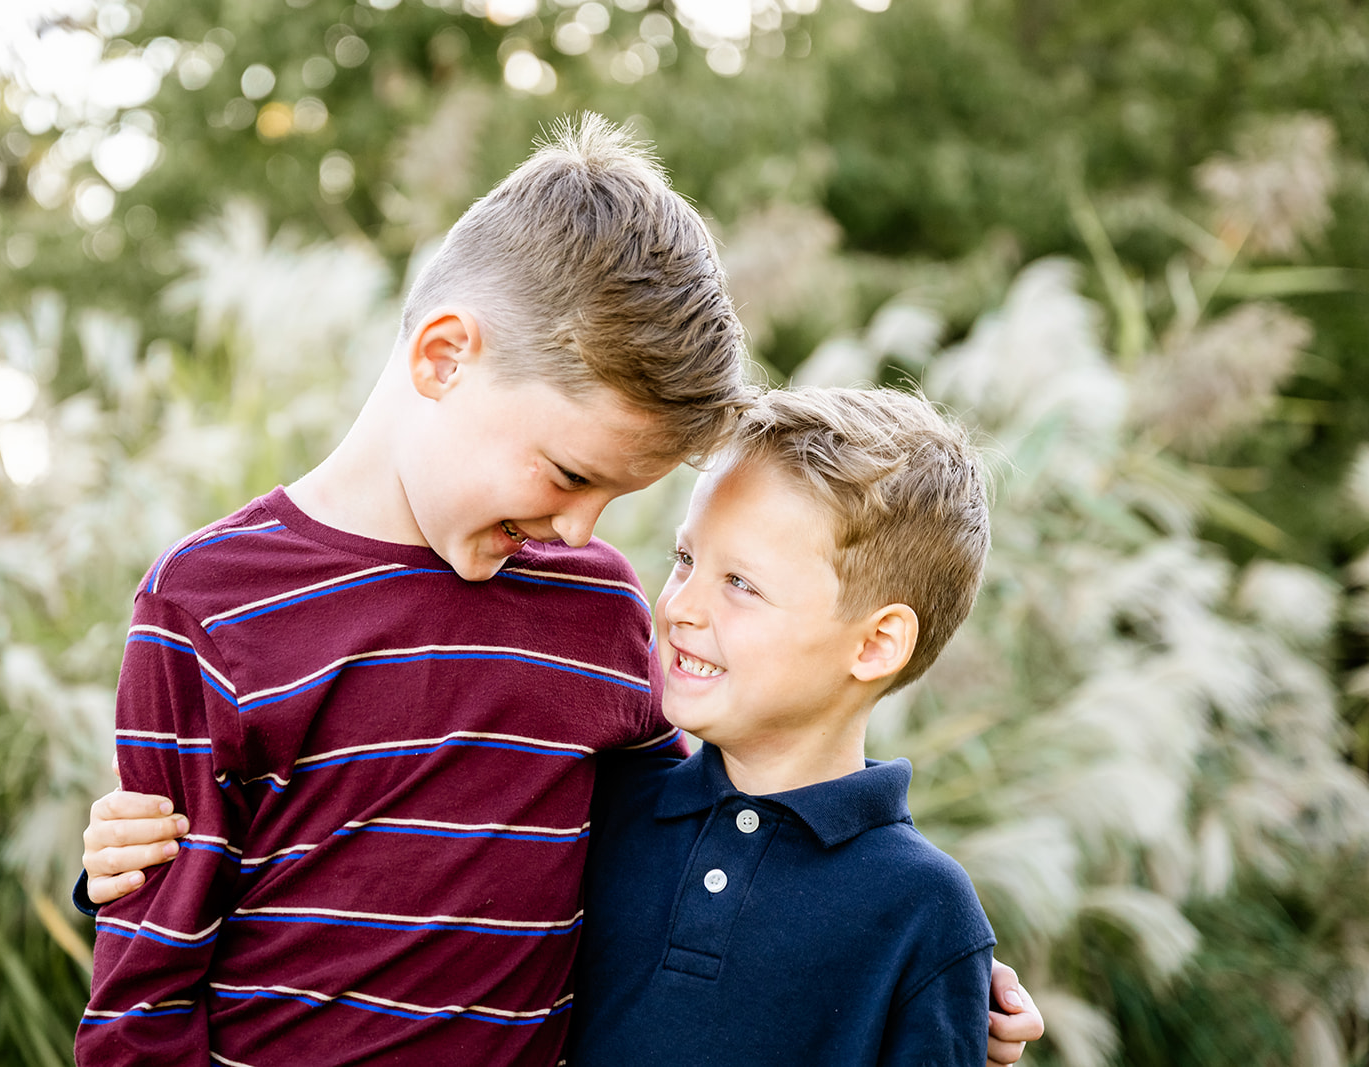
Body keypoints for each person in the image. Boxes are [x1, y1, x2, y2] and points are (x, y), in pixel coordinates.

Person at [76, 116, 1045, 1066]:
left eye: (617, 498)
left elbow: (709, 828)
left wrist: (934, 976)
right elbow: (142, 1000)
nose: (584, 532)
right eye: (571, 474)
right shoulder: (207, 604)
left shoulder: (593, 612)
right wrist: (122, 874)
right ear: (444, 356)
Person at [566, 386, 1004, 1063]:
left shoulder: (924, 913)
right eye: (685, 559)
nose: (679, 605)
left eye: (740, 582)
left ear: (875, 643)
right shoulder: (606, 802)